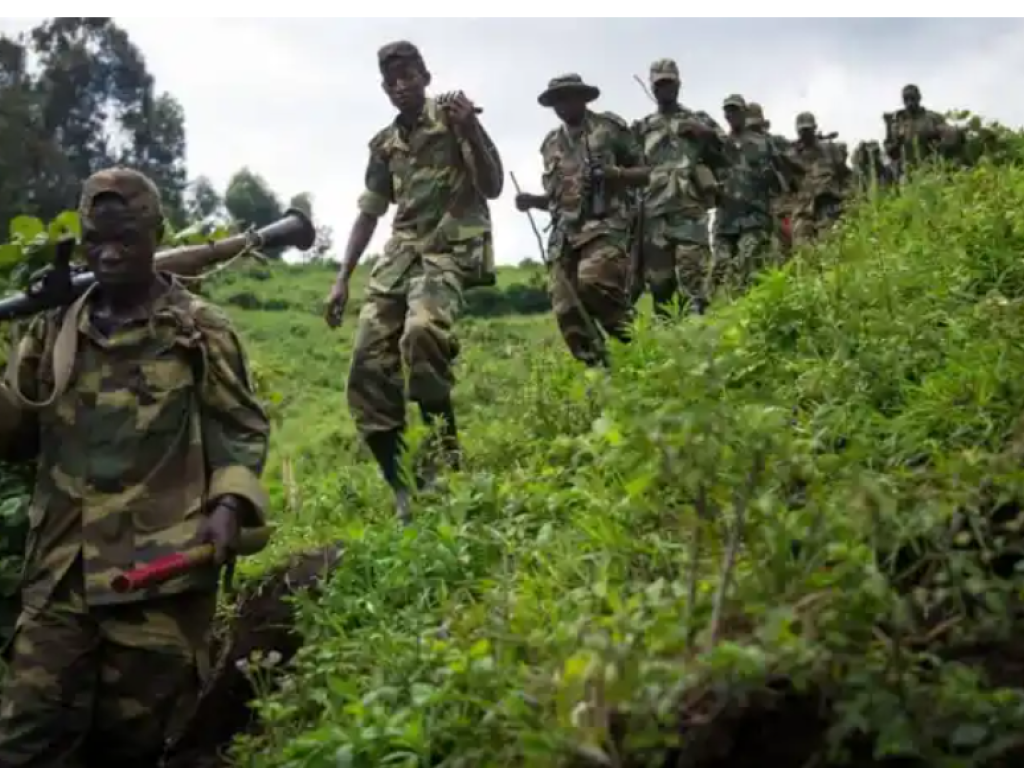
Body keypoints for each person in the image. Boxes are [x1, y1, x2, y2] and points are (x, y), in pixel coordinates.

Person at [0, 168, 271, 767]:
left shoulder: (199, 329)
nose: (110, 252)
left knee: (138, 748)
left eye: (126, 239)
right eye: (97, 240)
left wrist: (228, 507)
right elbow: (13, 439)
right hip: (59, 576)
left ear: (156, 234)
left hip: (159, 579)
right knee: (27, 742)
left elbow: (242, 427)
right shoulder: (52, 328)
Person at [323, 40, 503, 522]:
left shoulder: (453, 117)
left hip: (447, 252)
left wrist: (472, 127)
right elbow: (369, 212)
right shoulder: (384, 144)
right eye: (392, 79)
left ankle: (446, 454)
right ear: (385, 88)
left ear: (425, 75)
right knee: (365, 368)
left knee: (422, 334)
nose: (402, 84)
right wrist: (342, 278)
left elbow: (492, 186)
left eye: (409, 74)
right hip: (398, 260)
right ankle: (403, 488)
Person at [515, 73, 647, 367]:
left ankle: (642, 349)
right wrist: (533, 201)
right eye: (557, 100)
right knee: (566, 308)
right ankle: (600, 371)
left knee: (596, 284)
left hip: (605, 225)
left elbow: (646, 173)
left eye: (569, 96)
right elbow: (558, 198)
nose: (563, 104)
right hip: (564, 235)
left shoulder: (610, 128)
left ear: (583, 98)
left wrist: (617, 175)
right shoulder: (550, 144)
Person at [631, 58, 724, 318]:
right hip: (654, 215)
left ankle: (702, 334)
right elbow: (627, 165)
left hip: (689, 210)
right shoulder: (642, 127)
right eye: (659, 84)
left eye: (669, 83)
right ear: (652, 88)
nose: (665, 89)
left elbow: (727, 149)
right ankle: (669, 343)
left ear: (679, 84)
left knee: (693, 275)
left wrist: (704, 133)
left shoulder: (697, 119)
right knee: (660, 285)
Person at [712, 94, 780, 288]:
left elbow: (782, 174)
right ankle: (715, 310)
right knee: (719, 267)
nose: (731, 115)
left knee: (746, 265)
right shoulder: (720, 145)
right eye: (728, 111)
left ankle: (744, 308)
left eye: (735, 110)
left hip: (754, 216)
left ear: (744, 112)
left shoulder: (762, 143)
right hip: (725, 218)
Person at [786, 111, 851, 248]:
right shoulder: (792, 155)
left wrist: (847, 198)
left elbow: (844, 174)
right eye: (802, 131)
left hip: (828, 205)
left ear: (814, 128)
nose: (805, 134)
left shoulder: (830, 148)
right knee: (802, 248)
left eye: (808, 130)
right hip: (803, 208)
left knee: (830, 244)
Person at [883, 84, 952, 179]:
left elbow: (950, 140)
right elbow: (890, 153)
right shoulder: (896, 123)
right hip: (906, 174)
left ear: (919, 98)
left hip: (932, 171)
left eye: (912, 98)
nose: (909, 102)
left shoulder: (933, 118)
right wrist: (898, 142)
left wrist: (935, 137)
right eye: (906, 99)